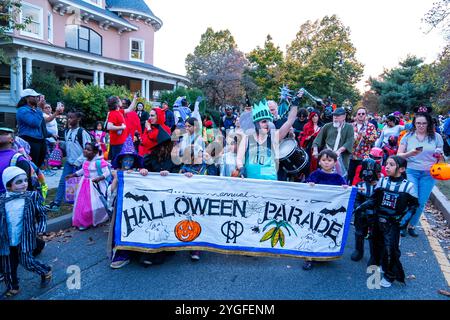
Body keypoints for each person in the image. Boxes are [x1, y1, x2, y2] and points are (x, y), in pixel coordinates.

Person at [353, 156, 419, 288]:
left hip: (393, 223)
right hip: (378, 220)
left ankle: (390, 275)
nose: (387, 166)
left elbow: (413, 206)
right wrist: (361, 207)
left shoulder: (408, 186)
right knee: (375, 245)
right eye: (387, 163)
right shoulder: (382, 182)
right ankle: (379, 264)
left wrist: (403, 222)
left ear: (401, 169)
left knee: (391, 249)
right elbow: (374, 199)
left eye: (391, 164)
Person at [0, 167, 52, 299]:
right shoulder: (2, 200)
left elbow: (41, 213)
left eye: (25, 180)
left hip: (24, 237)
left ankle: (45, 271)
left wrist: (41, 228)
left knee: (27, 261)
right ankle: (13, 287)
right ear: (8, 185)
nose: (24, 184)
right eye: (19, 182)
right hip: (6, 238)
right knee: (7, 265)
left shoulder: (32, 196)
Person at [397, 112, 444, 237]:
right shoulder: (407, 136)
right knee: (413, 198)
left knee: (421, 201)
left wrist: (439, 155)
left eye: (424, 123)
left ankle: (412, 225)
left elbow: (441, 159)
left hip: (429, 173)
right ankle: (403, 223)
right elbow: (398, 155)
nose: (421, 126)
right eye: (418, 123)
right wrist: (410, 154)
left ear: (428, 124)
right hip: (411, 170)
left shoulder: (436, 137)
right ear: (414, 124)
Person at [235, 96, 299, 181]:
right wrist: (241, 169)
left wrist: (295, 104)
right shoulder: (247, 138)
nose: (267, 124)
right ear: (256, 124)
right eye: (264, 122)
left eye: (268, 121)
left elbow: (290, 121)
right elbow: (239, 158)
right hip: (250, 181)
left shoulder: (273, 137)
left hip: (269, 181)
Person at [107, 137, 148, 269]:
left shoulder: (136, 172)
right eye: (126, 159)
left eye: (131, 160)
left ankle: (137, 251)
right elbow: (110, 192)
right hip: (120, 207)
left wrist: (143, 173)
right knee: (120, 229)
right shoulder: (117, 173)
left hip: (135, 207)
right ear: (121, 160)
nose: (128, 162)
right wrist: (116, 179)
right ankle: (122, 254)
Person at [303, 149, 347, 270]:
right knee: (312, 232)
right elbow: (305, 187)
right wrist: (309, 184)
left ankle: (322, 253)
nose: (326, 163)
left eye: (329, 160)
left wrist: (345, 188)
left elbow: (344, 191)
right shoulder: (315, 175)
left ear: (334, 162)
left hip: (330, 213)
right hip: (315, 210)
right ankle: (309, 257)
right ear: (319, 162)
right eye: (323, 160)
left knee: (325, 232)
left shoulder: (338, 178)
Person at [46, 111, 92, 212]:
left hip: (79, 164)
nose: (69, 120)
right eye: (68, 118)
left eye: (71, 118)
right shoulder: (67, 132)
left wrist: (78, 161)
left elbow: (87, 149)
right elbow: (69, 145)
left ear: (78, 119)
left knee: (80, 185)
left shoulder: (82, 133)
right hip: (69, 163)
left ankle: (81, 204)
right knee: (63, 181)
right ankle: (56, 202)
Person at [65, 143, 112, 231]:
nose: (85, 151)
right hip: (84, 184)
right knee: (83, 203)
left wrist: (99, 178)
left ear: (94, 152)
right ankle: (84, 221)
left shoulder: (99, 162)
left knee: (95, 203)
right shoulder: (85, 161)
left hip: (95, 185)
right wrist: (74, 175)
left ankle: (97, 218)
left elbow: (107, 172)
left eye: (88, 150)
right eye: (85, 149)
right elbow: (83, 170)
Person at [350, 158, 381, 262]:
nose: (367, 174)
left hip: (374, 215)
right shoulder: (360, 186)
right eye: (365, 171)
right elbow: (356, 200)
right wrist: (359, 209)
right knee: (359, 233)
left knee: (374, 236)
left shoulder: (380, 186)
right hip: (361, 215)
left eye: (370, 172)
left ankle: (374, 255)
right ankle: (359, 251)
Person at [312, 107, 355, 180]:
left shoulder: (349, 127)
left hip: (341, 158)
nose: (335, 118)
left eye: (338, 116)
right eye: (334, 116)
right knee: (323, 179)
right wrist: (315, 150)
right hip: (326, 157)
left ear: (344, 116)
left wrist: (339, 151)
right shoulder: (327, 126)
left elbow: (349, 141)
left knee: (341, 180)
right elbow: (317, 140)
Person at [15, 89, 51, 168]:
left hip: (40, 141)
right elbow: (35, 123)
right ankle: (29, 180)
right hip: (30, 140)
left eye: (37, 96)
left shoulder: (35, 110)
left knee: (37, 166)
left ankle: (35, 179)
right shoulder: (22, 110)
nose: (37, 98)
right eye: (34, 96)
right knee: (32, 166)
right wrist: (40, 109)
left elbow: (41, 126)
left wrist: (50, 134)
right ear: (27, 98)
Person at [348, 107, 378, 184]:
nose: (361, 115)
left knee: (361, 178)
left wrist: (364, 136)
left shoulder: (370, 126)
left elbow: (373, 139)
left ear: (366, 115)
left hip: (363, 157)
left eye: (363, 113)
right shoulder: (351, 125)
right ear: (356, 115)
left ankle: (359, 194)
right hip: (351, 156)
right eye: (359, 114)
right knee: (350, 176)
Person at [106, 94, 138, 162]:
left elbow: (130, 109)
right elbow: (109, 126)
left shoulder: (119, 111)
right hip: (116, 143)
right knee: (116, 163)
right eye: (119, 100)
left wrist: (135, 98)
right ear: (116, 104)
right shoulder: (113, 113)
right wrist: (122, 127)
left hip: (121, 142)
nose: (121, 101)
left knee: (119, 162)